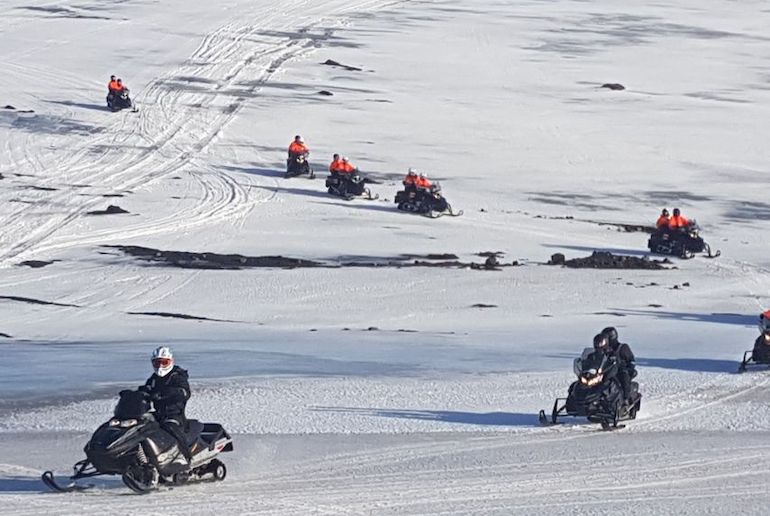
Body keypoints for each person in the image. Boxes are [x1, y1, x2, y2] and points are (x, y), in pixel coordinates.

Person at [139, 346, 192, 462]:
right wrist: (137, 395)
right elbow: (147, 388)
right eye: (157, 363)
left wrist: (169, 393)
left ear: (171, 361)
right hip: (158, 413)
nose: (160, 366)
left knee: (171, 428)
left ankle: (186, 457)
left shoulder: (177, 376)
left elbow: (184, 392)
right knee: (140, 426)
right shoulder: (154, 379)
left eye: (164, 362)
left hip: (174, 414)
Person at [600, 327, 636, 403]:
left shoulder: (622, 347)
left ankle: (626, 399)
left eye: (605, 338)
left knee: (623, 376)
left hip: (619, 370)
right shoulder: (602, 349)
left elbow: (631, 360)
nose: (604, 340)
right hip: (605, 370)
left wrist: (629, 368)